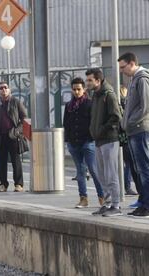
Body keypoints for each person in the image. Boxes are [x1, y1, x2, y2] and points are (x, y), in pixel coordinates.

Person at [119, 52, 149, 218]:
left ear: (132, 63)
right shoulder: (134, 79)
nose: (121, 71)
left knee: (145, 168)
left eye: (123, 67)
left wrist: (129, 123)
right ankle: (144, 203)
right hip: (134, 130)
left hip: (141, 129)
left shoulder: (142, 79)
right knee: (140, 169)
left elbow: (145, 107)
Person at [63, 77, 104, 208]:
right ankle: (83, 198)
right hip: (74, 143)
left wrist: (92, 137)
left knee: (93, 169)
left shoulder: (90, 104)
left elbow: (94, 121)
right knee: (80, 171)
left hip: (88, 141)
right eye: (74, 89)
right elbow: (66, 123)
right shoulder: (69, 105)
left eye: (79, 89)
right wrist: (68, 140)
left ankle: (102, 197)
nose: (76, 92)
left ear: (84, 89)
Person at [86, 68, 122, 217]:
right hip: (99, 140)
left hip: (109, 139)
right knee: (102, 174)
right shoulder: (96, 96)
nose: (87, 83)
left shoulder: (109, 95)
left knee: (110, 173)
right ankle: (106, 204)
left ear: (98, 80)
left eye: (90, 80)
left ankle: (116, 205)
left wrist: (101, 129)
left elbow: (116, 116)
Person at [0, 81, 27, 192]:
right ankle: (3, 184)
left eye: (5, 87)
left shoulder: (15, 102)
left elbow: (24, 118)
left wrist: (17, 131)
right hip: (0, 137)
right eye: (1, 88)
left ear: (9, 89)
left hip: (13, 136)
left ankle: (18, 184)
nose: (3, 90)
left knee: (16, 161)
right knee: (2, 161)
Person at [119, 85, 138, 196]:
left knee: (124, 163)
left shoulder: (120, 102)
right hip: (126, 137)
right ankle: (127, 186)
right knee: (129, 163)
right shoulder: (125, 104)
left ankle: (124, 186)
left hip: (120, 137)